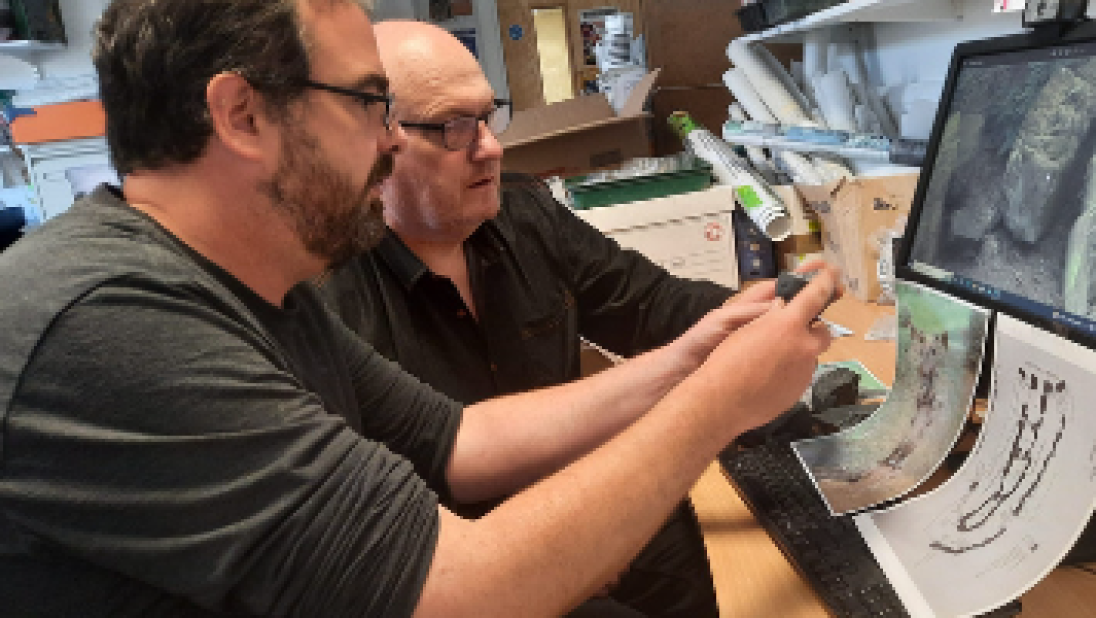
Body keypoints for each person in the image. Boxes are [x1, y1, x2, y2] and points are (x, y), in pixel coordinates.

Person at [0, 1, 838, 616]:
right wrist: (717, 401)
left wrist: (695, 358)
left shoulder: (255, 289)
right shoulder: (114, 321)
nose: (393, 139)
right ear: (243, 115)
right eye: (369, 103)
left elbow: (461, 443)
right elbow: (463, 590)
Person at [318, 20, 738, 617]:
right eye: (454, 127)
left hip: (580, 515)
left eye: (488, 118)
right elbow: (392, 515)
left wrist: (762, 313)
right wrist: (554, 555)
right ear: (378, 141)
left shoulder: (522, 213)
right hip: (470, 573)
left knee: (672, 526)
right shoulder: (329, 299)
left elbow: (650, 304)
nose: (489, 146)